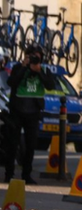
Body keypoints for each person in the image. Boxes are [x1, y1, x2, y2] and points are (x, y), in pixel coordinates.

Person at [3, 43, 57, 184]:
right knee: (12, 144)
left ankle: (26, 175)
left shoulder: (44, 70)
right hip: (17, 111)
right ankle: (9, 174)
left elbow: (50, 85)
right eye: (31, 57)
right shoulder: (18, 68)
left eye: (36, 58)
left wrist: (38, 71)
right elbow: (11, 82)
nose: (33, 60)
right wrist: (24, 67)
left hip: (33, 112)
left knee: (31, 145)